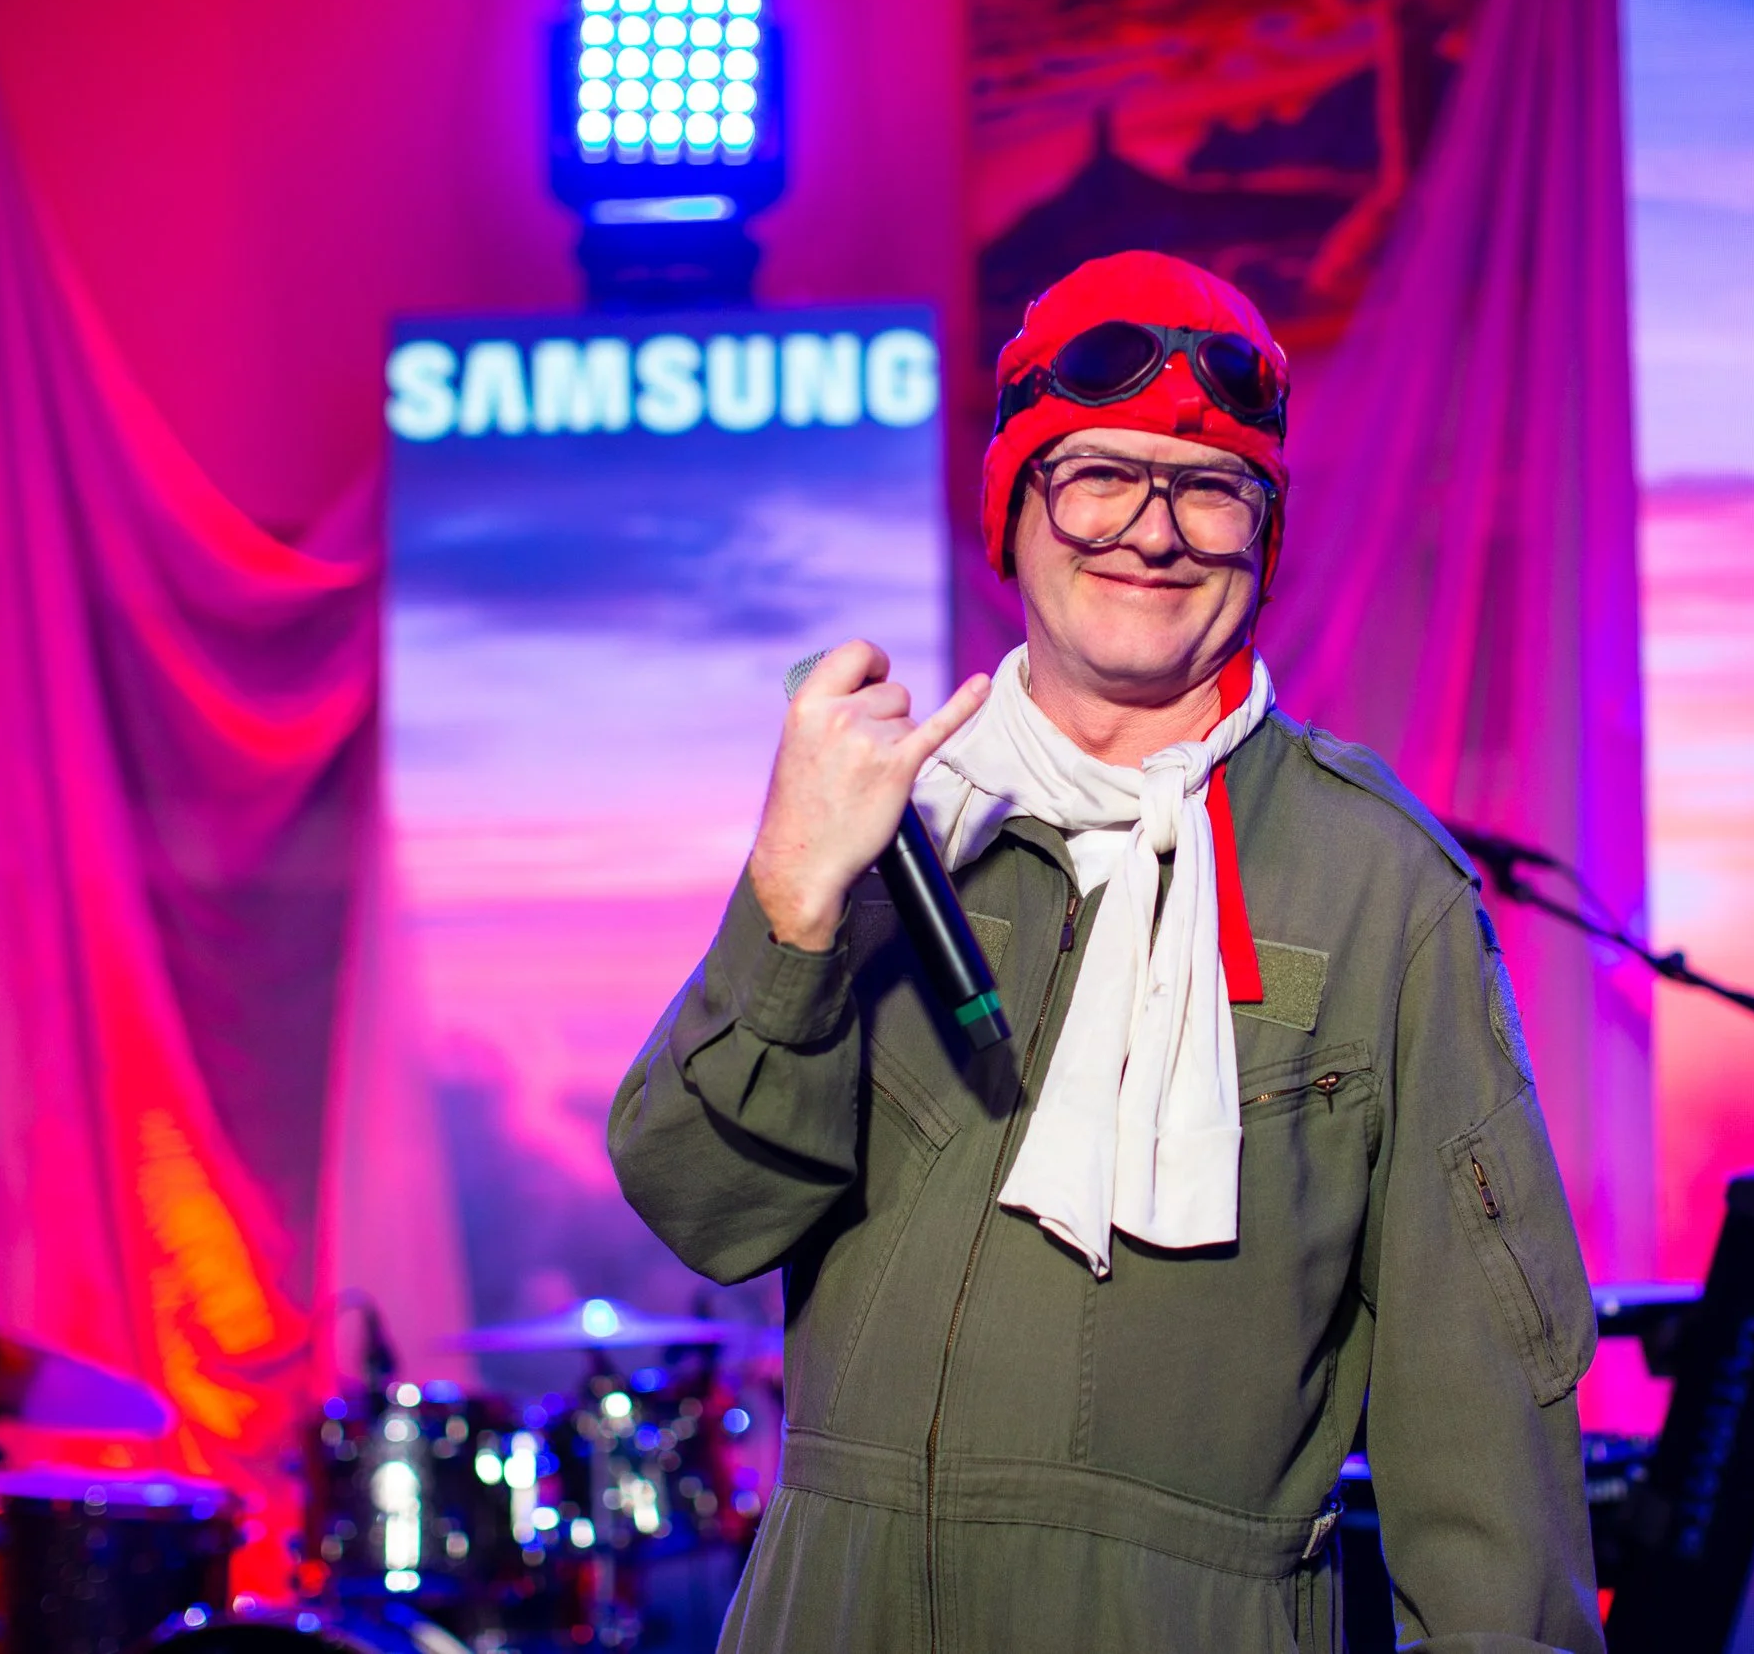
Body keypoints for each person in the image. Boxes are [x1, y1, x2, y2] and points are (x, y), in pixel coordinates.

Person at [611, 251, 1603, 1653]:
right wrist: (791, 892)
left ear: (1263, 539)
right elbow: (704, 1209)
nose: (1154, 529)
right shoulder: (890, 831)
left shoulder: (1382, 884)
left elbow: (1488, 1417)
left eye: (1210, 484)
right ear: (1013, 514)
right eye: (1096, 475)